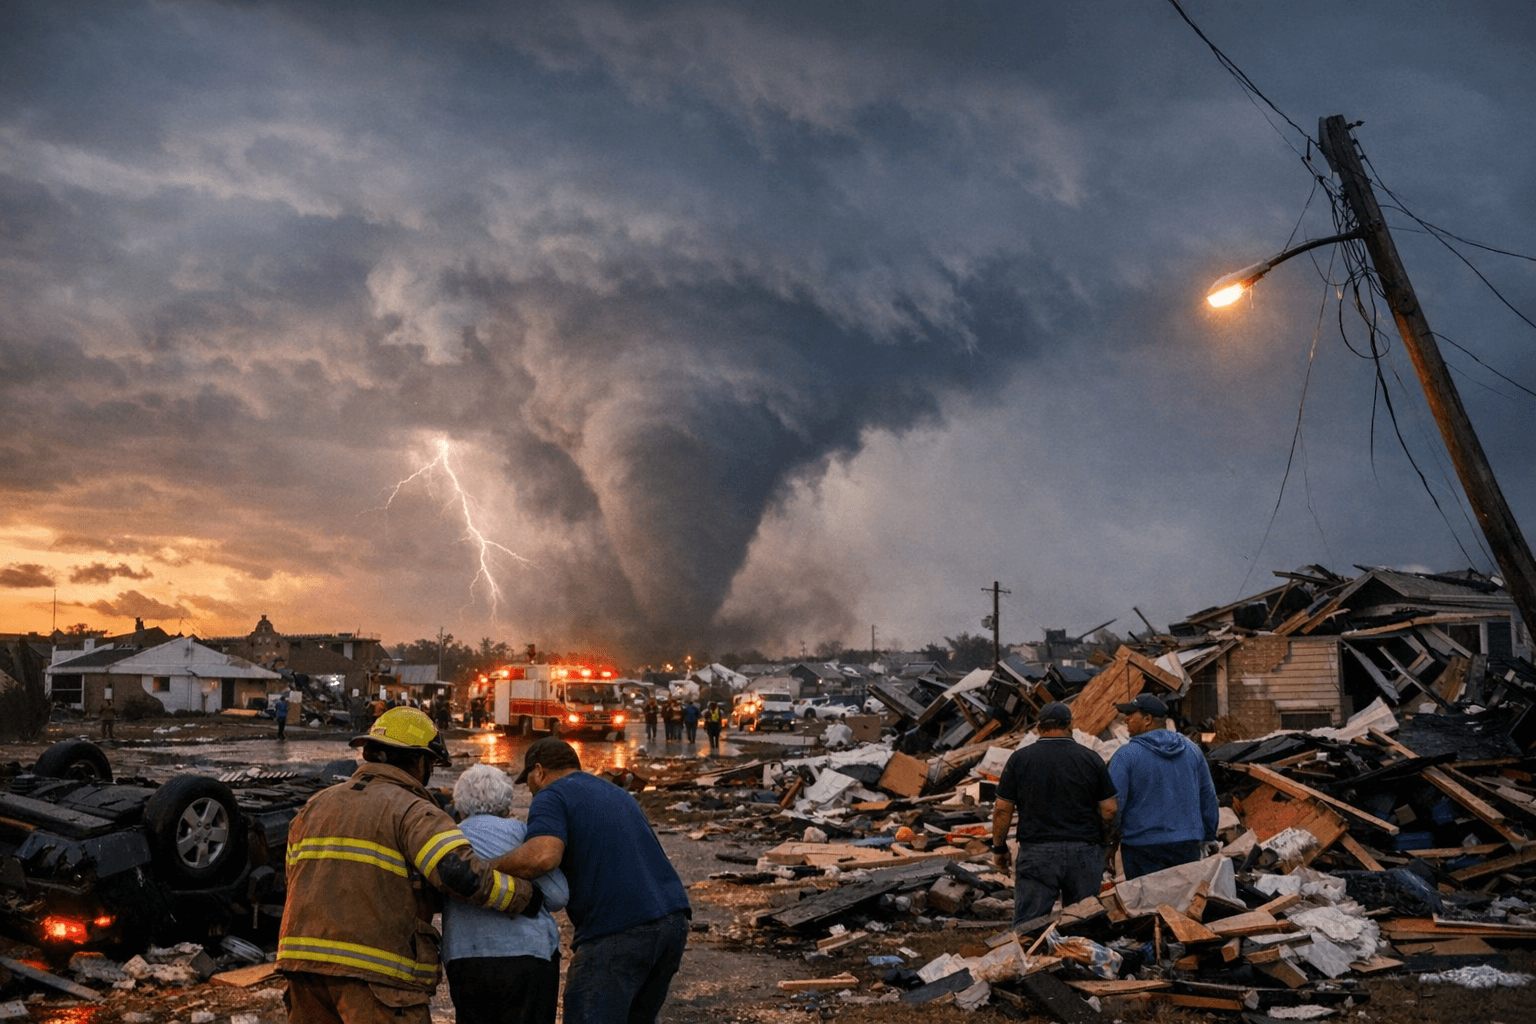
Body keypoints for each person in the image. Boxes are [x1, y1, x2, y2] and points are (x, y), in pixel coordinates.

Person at [277, 707, 540, 1024]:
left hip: (302, 969)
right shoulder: (412, 811)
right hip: (376, 976)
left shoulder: (316, 805)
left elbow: (296, 876)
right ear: (419, 761)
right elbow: (460, 874)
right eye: (430, 763)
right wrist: (523, 896)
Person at [495, 738, 691, 1024]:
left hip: (618, 930)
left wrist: (486, 868)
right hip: (672, 923)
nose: (532, 790)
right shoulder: (616, 792)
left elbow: (542, 857)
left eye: (530, 782)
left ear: (539, 771)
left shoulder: (552, 795)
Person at [443, 764, 569, 1024]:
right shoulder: (525, 836)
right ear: (507, 801)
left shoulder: (446, 840)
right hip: (530, 956)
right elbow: (558, 896)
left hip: (466, 957)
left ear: (460, 802)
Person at [991, 702, 1118, 928]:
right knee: (1083, 923)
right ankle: (1080, 960)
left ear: (1039, 727)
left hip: (1037, 853)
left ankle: (1031, 960)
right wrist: (1107, 842)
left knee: (1030, 926)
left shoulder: (1020, 759)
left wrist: (999, 848)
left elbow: (1002, 810)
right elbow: (1109, 809)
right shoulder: (1090, 759)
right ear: (1070, 725)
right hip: (1084, 851)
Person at [1107, 693, 1220, 879]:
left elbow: (1113, 807)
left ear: (1148, 719)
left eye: (1131, 714)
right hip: (1186, 845)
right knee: (1182, 904)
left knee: (1146, 906)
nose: (1126, 719)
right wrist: (1208, 835)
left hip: (1141, 848)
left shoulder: (1125, 756)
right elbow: (1208, 798)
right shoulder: (1193, 751)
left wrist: (1111, 843)